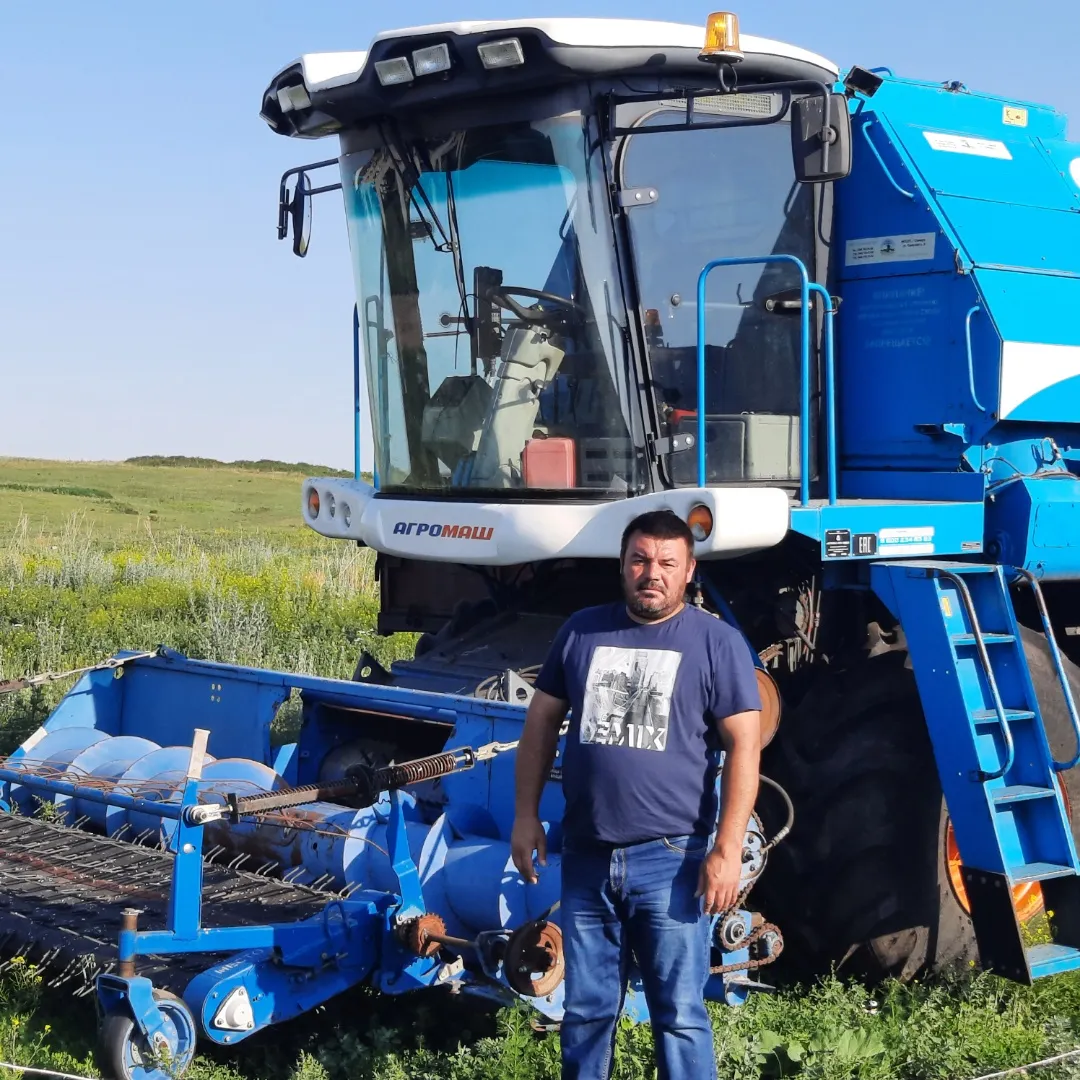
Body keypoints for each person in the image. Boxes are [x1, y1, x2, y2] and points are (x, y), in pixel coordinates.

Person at [510, 508, 762, 1080]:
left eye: (668, 563)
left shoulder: (716, 643)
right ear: (621, 565)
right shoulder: (582, 630)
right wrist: (525, 816)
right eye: (640, 560)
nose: (653, 573)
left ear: (689, 571)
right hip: (588, 854)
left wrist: (726, 849)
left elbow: (745, 747)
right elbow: (540, 724)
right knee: (586, 1011)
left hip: (671, 858)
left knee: (679, 1014)